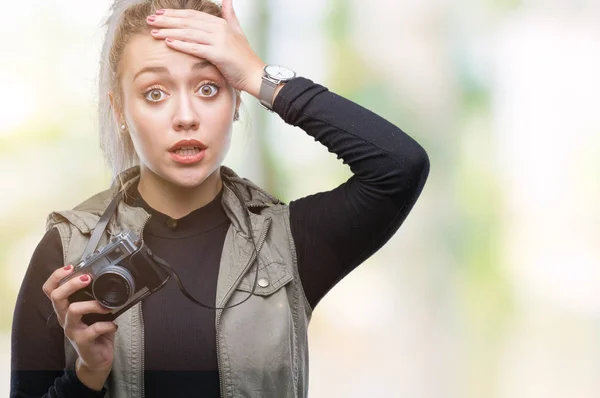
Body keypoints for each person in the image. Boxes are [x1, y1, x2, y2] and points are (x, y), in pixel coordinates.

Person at [10, 0, 430, 397]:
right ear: (119, 109)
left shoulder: (287, 246)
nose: (186, 116)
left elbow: (399, 165)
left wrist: (259, 75)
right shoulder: (67, 252)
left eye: (209, 88)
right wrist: (86, 376)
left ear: (236, 100)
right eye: (155, 93)